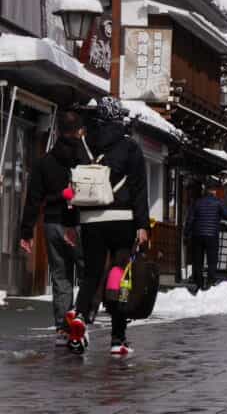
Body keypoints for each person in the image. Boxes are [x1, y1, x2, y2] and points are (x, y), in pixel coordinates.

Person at [66, 97, 150, 356]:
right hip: (123, 219)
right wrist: (142, 225)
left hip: (91, 220)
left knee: (91, 274)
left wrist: (72, 222)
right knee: (119, 272)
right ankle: (117, 339)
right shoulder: (130, 148)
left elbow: (72, 188)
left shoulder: (83, 144)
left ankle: (80, 317)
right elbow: (138, 190)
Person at [18, 110, 86, 346]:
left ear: (57, 131)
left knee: (60, 276)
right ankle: (80, 318)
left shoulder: (44, 162)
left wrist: (26, 231)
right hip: (78, 223)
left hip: (51, 223)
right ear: (80, 132)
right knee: (88, 273)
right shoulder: (85, 160)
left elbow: (33, 199)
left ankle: (62, 327)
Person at [184, 178, 227, 291]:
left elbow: (190, 219)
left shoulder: (197, 202)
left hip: (197, 235)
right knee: (212, 260)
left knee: (197, 260)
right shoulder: (218, 203)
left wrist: (186, 233)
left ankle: (198, 283)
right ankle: (209, 282)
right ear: (214, 191)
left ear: (205, 190)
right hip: (212, 235)